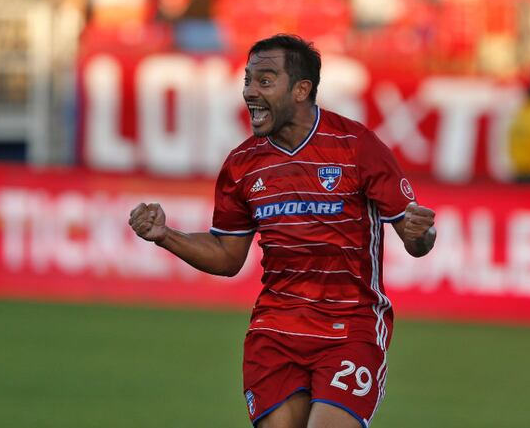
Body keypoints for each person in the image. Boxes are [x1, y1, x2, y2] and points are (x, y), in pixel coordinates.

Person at [128, 34, 437, 428]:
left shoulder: (356, 147)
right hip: (275, 331)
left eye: (265, 80)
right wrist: (165, 235)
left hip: (350, 325)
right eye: (247, 80)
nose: (250, 93)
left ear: (301, 89)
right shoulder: (242, 165)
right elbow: (227, 257)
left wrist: (420, 233)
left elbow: (416, 241)